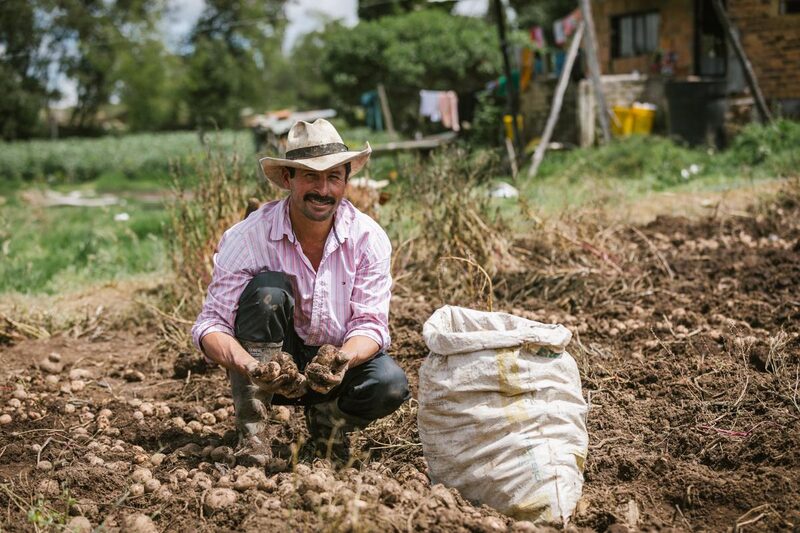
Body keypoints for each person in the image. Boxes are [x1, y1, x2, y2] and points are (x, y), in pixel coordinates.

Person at [191, 119, 410, 465]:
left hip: (333, 366)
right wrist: (252, 366)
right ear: (289, 179)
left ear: (346, 181)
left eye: (333, 177)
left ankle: (327, 426)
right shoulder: (248, 237)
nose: (322, 189)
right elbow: (210, 326)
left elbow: (371, 324)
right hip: (271, 369)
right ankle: (253, 437)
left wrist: (343, 360)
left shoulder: (368, 238)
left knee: (390, 383)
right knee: (269, 291)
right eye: (311, 176)